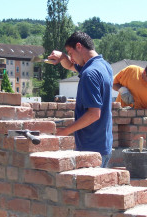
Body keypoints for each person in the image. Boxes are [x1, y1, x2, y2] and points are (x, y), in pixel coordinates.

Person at [48, 31, 113, 168]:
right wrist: (63, 57)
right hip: (103, 145)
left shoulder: (89, 74)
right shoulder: (104, 66)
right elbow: (71, 66)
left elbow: (94, 114)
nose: (71, 59)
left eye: (71, 53)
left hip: (91, 149)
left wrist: (63, 132)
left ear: (79, 46)